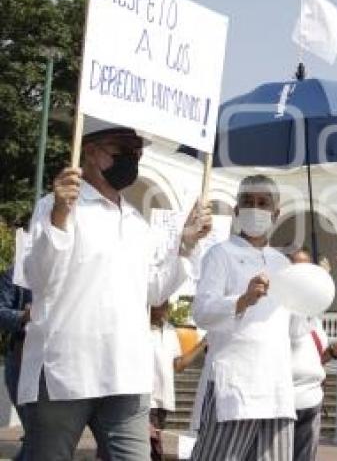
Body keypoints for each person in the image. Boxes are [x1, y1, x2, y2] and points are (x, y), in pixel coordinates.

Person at [20, 122, 211, 461]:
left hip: (126, 369)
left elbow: (154, 292)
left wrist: (186, 245)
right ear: (90, 151)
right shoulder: (55, 206)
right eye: (122, 151)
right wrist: (60, 217)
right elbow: (40, 277)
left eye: (136, 153)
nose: (132, 160)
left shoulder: (137, 222)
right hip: (67, 368)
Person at [190, 175, 297, 461]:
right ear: (236, 210)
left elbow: (294, 327)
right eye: (247, 202)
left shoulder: (284, 264)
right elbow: (201, 312)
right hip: (234, 387)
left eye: (263, 203)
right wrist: (242, 300)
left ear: (275, 213)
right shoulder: (220, 254)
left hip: (277, 389)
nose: (255, 208)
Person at [288, 248, 337, 461]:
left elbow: (315, 358)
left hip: (312, 399)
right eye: (295, 266)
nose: (302, 272)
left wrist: (334, 352)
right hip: (285, 400)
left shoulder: (315, 319)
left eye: (307, 267)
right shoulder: (283, 310)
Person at [148, 302, 207, 461]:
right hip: (145, 401)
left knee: (154, 451)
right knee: (150, 452)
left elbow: (178, 365)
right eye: (160, 301)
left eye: (165, 301)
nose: (164, 305)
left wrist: (202, 344)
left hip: (163, 403)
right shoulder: (138, 326)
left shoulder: (170, 330)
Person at [0, 265, 32, 460]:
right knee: (35, 433)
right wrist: (24, 316)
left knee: (38, 436)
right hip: (21, 358)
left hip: (58, 364)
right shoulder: (16, 274)